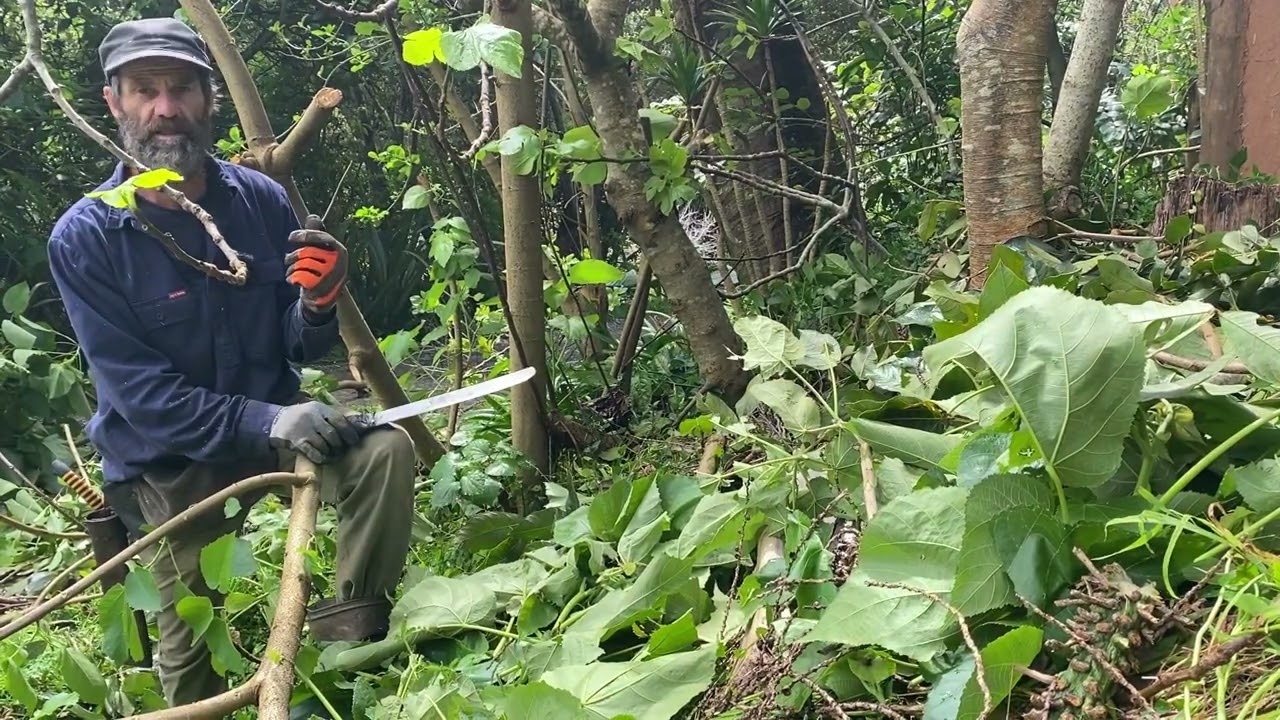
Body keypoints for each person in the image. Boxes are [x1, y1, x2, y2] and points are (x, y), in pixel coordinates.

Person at [45, 17, 417, 707]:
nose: (165, 108)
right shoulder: (88, 236)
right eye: (145, 90)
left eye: (181, 88)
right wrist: (273, 419)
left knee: (383, 452)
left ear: (209, 99)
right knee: (190, 645)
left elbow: (296, 343)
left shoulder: (260, 201)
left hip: (273, 435)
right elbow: (144, 399)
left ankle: (351, 643)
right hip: (167, 465)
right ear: (113, 103)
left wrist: (316, 304)